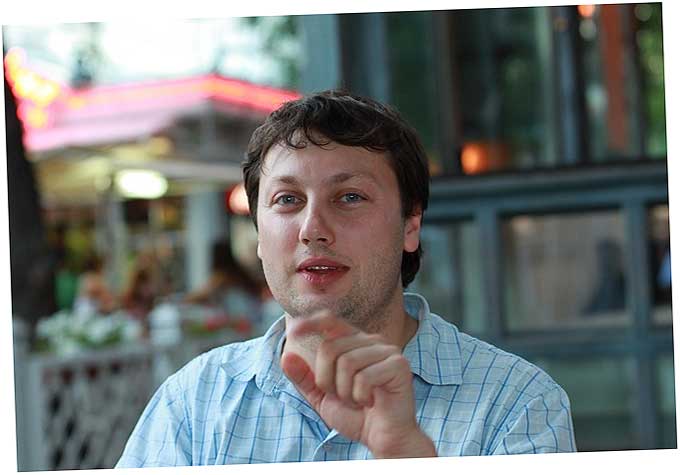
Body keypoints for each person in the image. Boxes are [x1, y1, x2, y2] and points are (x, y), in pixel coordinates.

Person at [117, 90, 576, 467]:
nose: (313, 229)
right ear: (258, 233)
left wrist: (407, 458)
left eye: (350, 196)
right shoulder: (193, 404)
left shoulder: (516, 405)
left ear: (410, 225)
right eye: (287, 200)